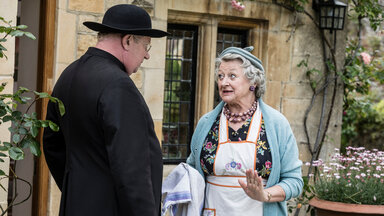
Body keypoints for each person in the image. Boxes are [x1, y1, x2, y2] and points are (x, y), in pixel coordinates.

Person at [43, 4, 169, 216]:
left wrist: (79, 189)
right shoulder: (118, 86)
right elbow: (132, 170)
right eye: (146, 46)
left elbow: (52, 145)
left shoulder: (68, 75)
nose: (147, 56)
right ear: (127, 40)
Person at [187, 46, 303, 216]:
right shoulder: (206, 123)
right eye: (221, 76)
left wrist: (265, 195)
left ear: (253, 83)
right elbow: (192, 173)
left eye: (232, 76)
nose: (223, 82)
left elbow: (294, 182)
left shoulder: (277, 124)